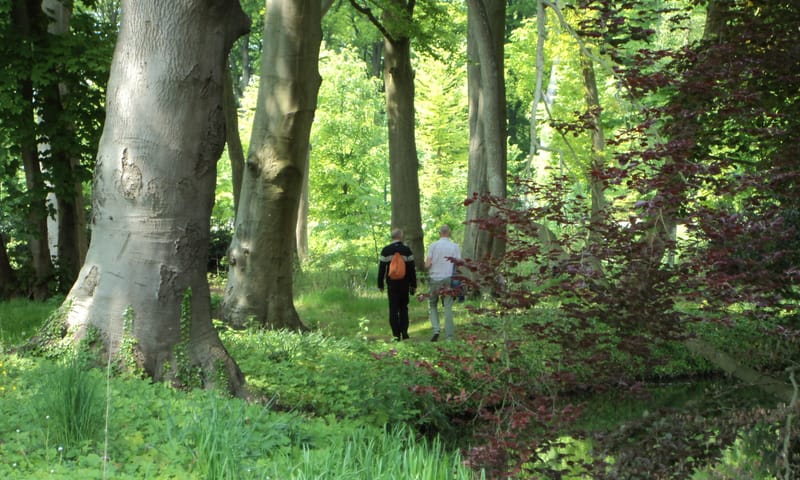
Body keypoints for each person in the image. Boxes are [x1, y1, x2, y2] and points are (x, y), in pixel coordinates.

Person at [378, 228, 417, 341]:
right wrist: (413, 284)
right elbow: (411, 269)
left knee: (393, 308)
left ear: (392, 237)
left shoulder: (386, 250)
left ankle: (396, 334)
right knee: (404, 308)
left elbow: (381, 269)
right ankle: (404, 332)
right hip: (404, 284)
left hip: (392, 284)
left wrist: (380, 284)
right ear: (401, 236)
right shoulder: (406, 250)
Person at [425, 225, 461, 341]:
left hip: (435, 278)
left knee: (432, 304)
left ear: (439, 233)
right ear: (449, 233)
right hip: (448, 278)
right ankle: (449, 336)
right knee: (448, 307)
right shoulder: (454, 246)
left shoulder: (433, 246)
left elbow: (427, 264)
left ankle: (436, 329)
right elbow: (459, 263)